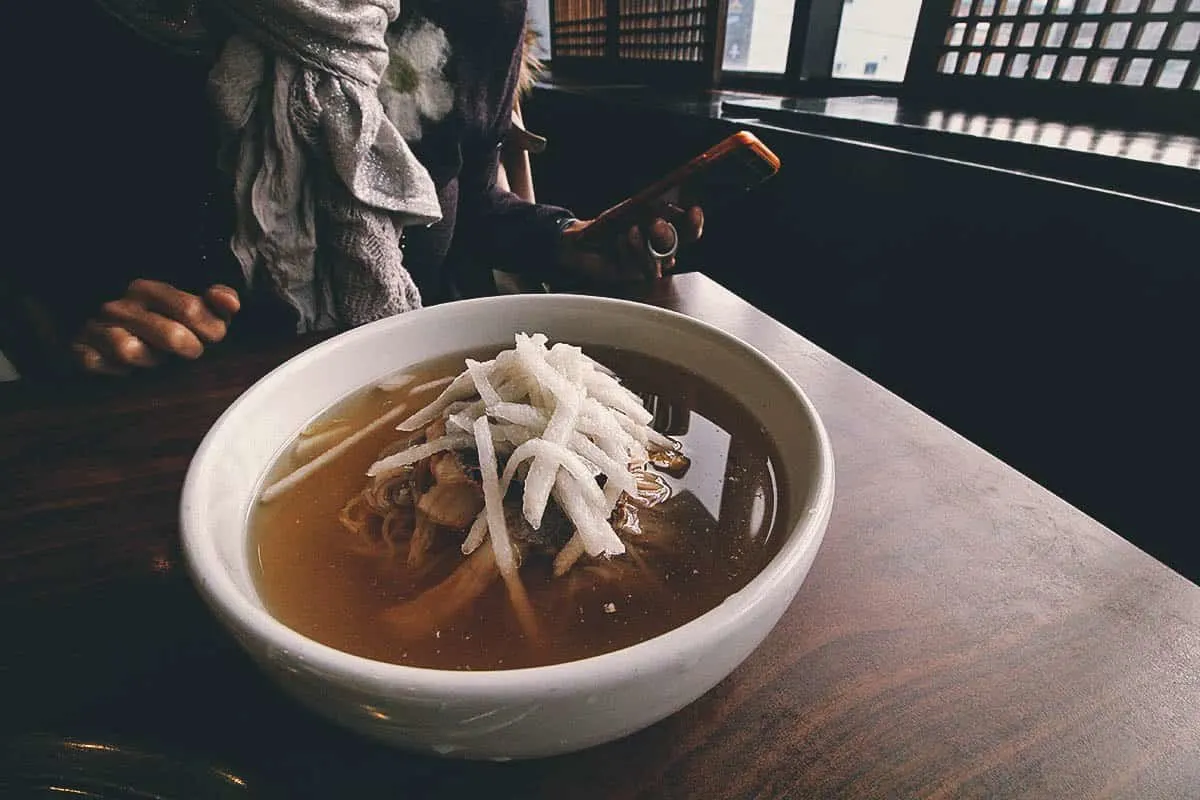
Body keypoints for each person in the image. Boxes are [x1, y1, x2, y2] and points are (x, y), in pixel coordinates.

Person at [7, 0, 702, 378]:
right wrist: (82, 326)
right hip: (186, 399)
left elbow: (468, 192)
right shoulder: (71, 23)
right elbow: (33, 250)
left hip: (416, 362)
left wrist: (563, 241)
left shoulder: (480, 14)